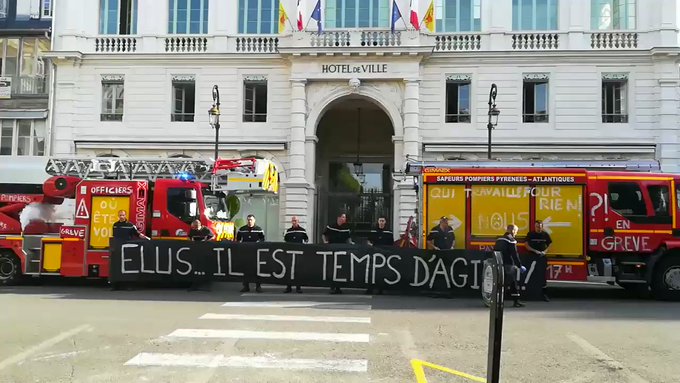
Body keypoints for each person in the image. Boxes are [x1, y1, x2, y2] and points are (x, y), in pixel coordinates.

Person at [494, 224, 526, 308]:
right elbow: (514, 254)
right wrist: (519, 266)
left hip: (498, 264)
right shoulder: (511, 240)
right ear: (512, 231)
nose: (516, 233)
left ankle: (496, 300)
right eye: (516, 231)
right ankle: (515, 301)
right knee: (511, 283)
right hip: (508, 265)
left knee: (500, 283)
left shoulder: (499, 239)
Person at [323, 213, 352, 294]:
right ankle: (332, 286)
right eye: (343, 217)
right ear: (338, 218)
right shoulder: (331, 226)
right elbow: (324, 235)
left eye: (345, 218)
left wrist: (352, 245)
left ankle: (338, 287)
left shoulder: (346, 228)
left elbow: (348, 239)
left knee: (340, 270)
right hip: (332, 250)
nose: (344, 219)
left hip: (342, 252)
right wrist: (325, 242)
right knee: (332, 268)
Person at [236, 214, 265, 293]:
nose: (249, 221)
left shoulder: (259, 229)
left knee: (257, 270)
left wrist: (257, 243)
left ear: (254, 220)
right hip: (245, 253)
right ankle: (246, 286)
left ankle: (258, 286)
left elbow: (262, 239)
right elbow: (238, 240)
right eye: (248, 219)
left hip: (255, 253)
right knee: (246, 269)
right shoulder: (242, 229)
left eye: (251, 219)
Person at [526, 220, 552, 302]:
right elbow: (526, 245)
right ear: (535, 226)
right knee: (531, 274)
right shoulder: (531, 234)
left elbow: (550, 244)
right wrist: (534, 251)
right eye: (537, 226)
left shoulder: (545, 235)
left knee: (542, 275)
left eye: (540, 227)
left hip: (542, 257)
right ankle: (529, 294)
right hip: (532, 256)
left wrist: (545, 251)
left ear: (542, 227)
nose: (539, 228)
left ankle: (544, 295)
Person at [366, 216, 393, 295]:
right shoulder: (373, 231)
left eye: (383, 221)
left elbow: (391, 244)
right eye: (380, 221)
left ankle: (380, 289)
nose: (381, 222)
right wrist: (370, 245)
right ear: (378, 222)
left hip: (384, 255)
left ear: (385, 222)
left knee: (381, 272)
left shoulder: (389, 232)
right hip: (374, 254)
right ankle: (370, 288)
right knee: (371, 271)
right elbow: (368, 241)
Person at [283, 216, 308, 293]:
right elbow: (285, 240)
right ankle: (289, 287)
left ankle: (298, 287)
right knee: (289, 270)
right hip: (290, 254)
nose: (294, 222)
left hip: (299, 254)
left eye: (295, 220)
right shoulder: (288, 231)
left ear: (298, 221)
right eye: (293, 221)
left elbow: (306, 240)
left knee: (298, 270)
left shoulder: (302, 231)